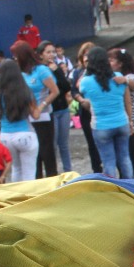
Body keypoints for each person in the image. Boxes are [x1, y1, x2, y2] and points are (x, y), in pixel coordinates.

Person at [79, 47, 132, 179]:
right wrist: (130, 121)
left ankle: (112, 190)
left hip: (101, 125)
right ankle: (132, 186)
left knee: (108, 162)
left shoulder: (86, 81)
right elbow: (128, 102)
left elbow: (83, 93)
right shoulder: (119, 78)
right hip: (121, 122)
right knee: (125, 158)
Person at [11, 40, 59, 178]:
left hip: (43, 115)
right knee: (32, 151)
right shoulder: (19, 72)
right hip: (27, 117)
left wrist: (41, 106)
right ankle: (37, 179)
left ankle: (52, 178)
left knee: (47, 150)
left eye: (16, 55)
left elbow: (54, 91)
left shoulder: (41, 70)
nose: (14, 58)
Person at [0, 60, 40, 182]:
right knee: (29, 173)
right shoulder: (26, 91)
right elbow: (36, 115)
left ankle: (17, 198)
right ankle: (31, 199)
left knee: (16, 169)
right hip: (25, 133)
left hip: (5, 136)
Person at [110, 48, 134, 178]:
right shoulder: (114, 76)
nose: (109, 62)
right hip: (121, 121)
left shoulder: (129, 76)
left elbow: (133, 84)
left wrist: (124, 80)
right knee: (123, 159)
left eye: (112, 60)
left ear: (120, 63)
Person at [39, 41, 73, 173]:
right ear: (41, 54)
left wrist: (58, 71)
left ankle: (68, 171)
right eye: (48, 52)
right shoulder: (40, 70)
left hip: (63, 109)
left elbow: (66, 87)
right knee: (52, 144)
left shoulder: (56, 67)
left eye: (53, 52)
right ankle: (53, 172)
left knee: (63, 143)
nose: (51, 55)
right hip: (50, 111)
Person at [71, 42, 103, 174]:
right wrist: (81, 100)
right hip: (85, 111)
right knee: (91, 144)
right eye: (85, 54)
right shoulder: (78, 72)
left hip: (100, 111)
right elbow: (73, 90)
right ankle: (96, 171)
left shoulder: (102, 71)